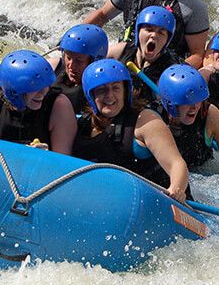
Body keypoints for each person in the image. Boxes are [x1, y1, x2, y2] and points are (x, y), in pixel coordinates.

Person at [72, 59, 189, 201]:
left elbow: (176, 164)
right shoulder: (83, 124)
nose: (109, 95)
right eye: (102, 89)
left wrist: (176, 189)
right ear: (91, 95)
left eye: (116, 88)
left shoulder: (145, 120)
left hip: (156, 200)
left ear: (125, 92)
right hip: (110, 200)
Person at [157, 64, 219, 183]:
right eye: (187, 101)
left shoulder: (210, 115)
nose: (194, 107)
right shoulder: (155, 118)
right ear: (171, 104)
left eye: (198, 100)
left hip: (203, 178)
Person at [108, 5, 180, 102]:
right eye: (149, 30)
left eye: (161, 32)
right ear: (138, 32)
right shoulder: (121, 50)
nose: (154, 35)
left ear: (167, 40)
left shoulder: (170, 71)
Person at [47, 24, 109, 113]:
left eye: (79, 61)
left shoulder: (101, 90)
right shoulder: (53, 66)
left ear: (94, 61)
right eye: (68, 58)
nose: (71, 66)